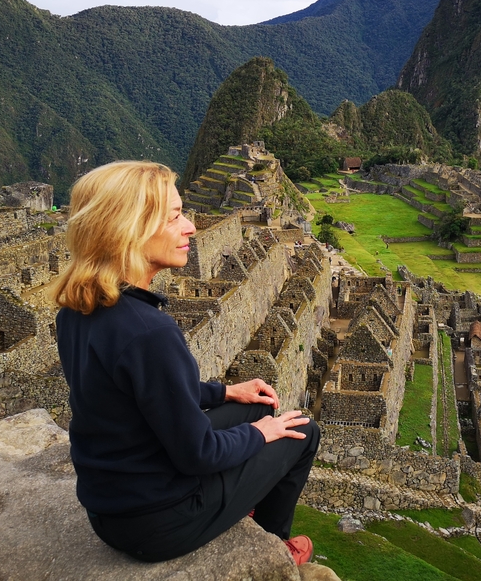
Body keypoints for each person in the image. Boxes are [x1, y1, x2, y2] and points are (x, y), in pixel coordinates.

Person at [51, 160, 319, 564]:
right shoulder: (149, 332)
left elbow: (142, 395)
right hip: (159, 521)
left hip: (111, 505)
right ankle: (272, 549)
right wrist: (263, 434)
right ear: (129, 229)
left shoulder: (78, 308)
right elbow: (200, 454)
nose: (191, 226)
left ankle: (240, 500)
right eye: (175, 217)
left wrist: (225, 391)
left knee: (261, 405)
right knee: (301, 431)